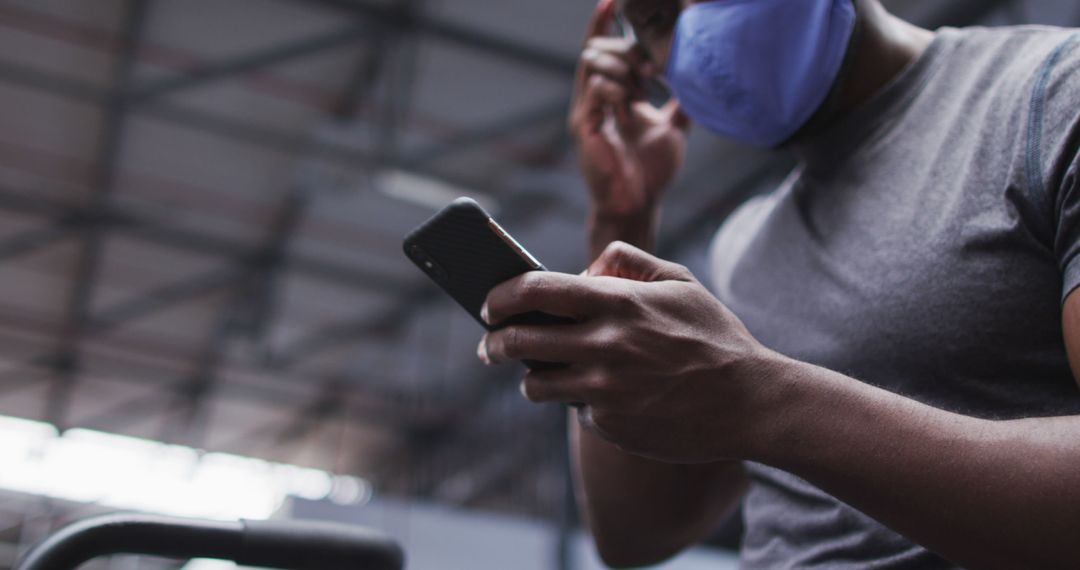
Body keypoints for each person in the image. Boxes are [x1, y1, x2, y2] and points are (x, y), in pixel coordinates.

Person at [477, 0, 1080, 567]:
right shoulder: (745, 244)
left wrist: (761, 397)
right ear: (645, 65)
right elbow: (637, 533)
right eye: (657, 17)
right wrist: (620, 216)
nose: (694, 28)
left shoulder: (1051, 95)